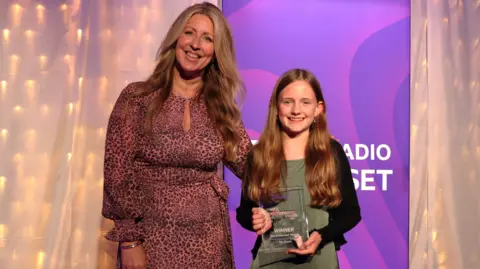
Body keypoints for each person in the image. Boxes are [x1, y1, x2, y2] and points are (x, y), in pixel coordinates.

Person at [101, 2, 251, 269]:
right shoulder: (138, 99)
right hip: (151, 241)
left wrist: (300, 142)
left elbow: (251, 165)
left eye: (207, 39)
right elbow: (118, 174)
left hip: (209, 244)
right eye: (189, 33)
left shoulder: (220, 108)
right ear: (176, 38)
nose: (195, 44)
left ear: (216, 51)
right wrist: (130, 242)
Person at [236, 69, 361, 269]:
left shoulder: (332, 152)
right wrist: (255, 219)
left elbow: (351, 212)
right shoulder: (258, 154)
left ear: (318, 108)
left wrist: (321, 235)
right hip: (270, 263)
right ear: (276, 107)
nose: (296, 110)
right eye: (287, 102)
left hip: (320, 261)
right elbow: (244, 211)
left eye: (305, 102)